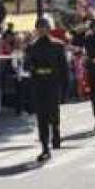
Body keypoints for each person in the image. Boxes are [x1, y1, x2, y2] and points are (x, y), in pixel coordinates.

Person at [26, 17, 68, 162]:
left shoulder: (58, 45)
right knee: (41, 117)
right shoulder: (32, 47)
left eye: (44, 27)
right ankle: (45, 147)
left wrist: (65, 88)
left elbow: (64, 68)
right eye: (39, 27)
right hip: (39, 84)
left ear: (49, 28)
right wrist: (29, 66)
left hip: (53, 83)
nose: (42, 30)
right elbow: (28, 65)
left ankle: (56, 132)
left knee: (53, 112)